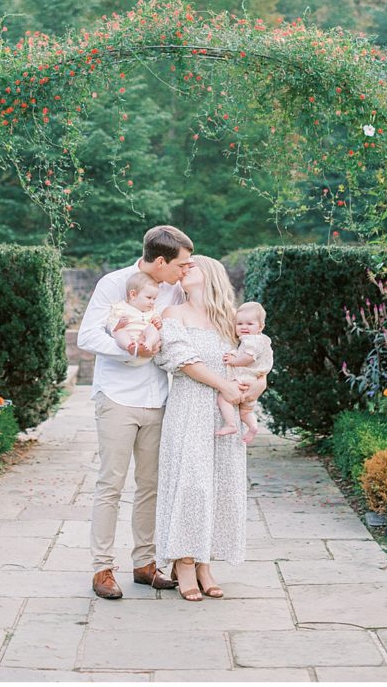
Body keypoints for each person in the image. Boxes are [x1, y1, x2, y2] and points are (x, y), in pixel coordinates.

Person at [78, 225, 194, 600]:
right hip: (116, 397)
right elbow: (87, 336)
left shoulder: (177, 288)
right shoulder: (114, 283)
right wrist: (131, 349)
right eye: (181, 264)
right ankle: (102, 568)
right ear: (160, 262)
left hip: (159, 397)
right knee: (110, 484)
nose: (184, 271)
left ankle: (145, 564)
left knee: (151, 485)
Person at [153, 256, 268, 601]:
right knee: (191, 484)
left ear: (212, 274)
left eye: (193, 266)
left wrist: (254, 387)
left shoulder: (230, 322)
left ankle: (204, 562)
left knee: (220, 485)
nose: (184, 269)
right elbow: (183, 360)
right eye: (182, 267)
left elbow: (258, 363)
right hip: (189, 407)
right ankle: (183, 562)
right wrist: (225, 386)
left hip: (225, 413)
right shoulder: (174, 314)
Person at [217, 300, 274, 444]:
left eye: (249, 324)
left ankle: (230, 424)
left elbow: (248, 358)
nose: (244, 327)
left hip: (244, 378)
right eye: (240, 324)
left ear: (260, 327)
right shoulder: (262, 340)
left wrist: (233, 361)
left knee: (223, 398)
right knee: (246, 412)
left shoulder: (252, 341)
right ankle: (253, 427)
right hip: (253, 381)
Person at [105, 271, 162, 365]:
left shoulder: (152, 311)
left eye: (154, 299)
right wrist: (118, 325)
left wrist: (157, 322)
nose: (152, 302)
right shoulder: (121, 308)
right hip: (128, 350)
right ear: (133, 295)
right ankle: (130, 346)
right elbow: (111, 323)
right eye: (149, 298)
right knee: (120, 331)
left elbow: (157, 319)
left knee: (152, 328)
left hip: (146, 349)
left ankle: (148, 343)